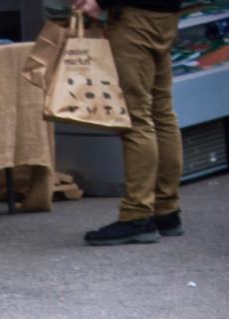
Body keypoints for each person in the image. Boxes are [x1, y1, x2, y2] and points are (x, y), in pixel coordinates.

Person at [74, 0, 185, 246]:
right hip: (164, 15)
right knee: (161, 112)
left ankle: (138, 214)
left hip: (135, 18)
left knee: (136, 118)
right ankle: (166, 209)